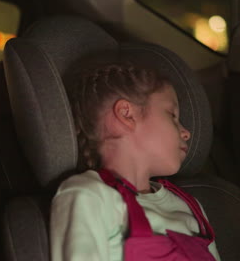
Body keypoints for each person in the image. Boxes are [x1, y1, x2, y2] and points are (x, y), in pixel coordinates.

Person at [50, 61, 221, 261]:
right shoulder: (89, 196)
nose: (186, 132)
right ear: (126, 114)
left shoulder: (190, 206)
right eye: (172, 115)